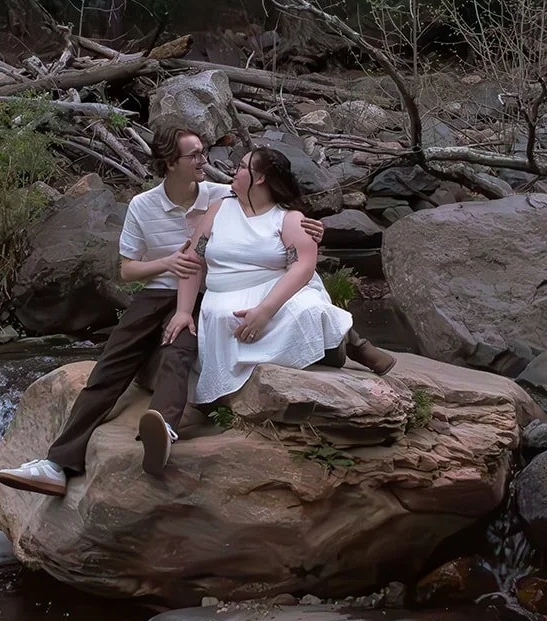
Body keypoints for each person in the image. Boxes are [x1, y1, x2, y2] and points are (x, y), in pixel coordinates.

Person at [0, 125, 327, 497]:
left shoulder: (223, 195)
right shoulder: (143, 205)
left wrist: (310, 228)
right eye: (195, 155)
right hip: (157, 292)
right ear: (170, 164)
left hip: (206, 295)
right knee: (112, 364)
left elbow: (275, 214)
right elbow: (126, 270)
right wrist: (168, 263)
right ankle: (57, 464)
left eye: (204, 152)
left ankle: (163, 429)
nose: (206, 161)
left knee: (178, 349)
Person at [164, 147, 393, 423]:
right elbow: (192, 261)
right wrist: (183, 311)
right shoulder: (219, 208)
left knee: (308, 308)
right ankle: (332, 348)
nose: (234, 170)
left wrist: (265, 311)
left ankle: (345, 343)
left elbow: (303, 267)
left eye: (243, 166)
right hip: (224, 297)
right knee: (230, 320)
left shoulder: (289, 217)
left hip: (276, 291)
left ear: (260, 178)